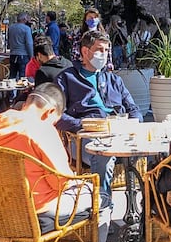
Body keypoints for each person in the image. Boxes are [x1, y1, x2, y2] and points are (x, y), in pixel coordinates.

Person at [0, 83, 109, 242]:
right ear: (49, 112)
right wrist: (79, 181)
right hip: (37, 213)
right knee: (101, 198)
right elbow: (61, 183)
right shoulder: (42, 129)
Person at [55, 30, 141, 209]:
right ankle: (102, 211)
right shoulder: (67, 78)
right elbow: (56, 115)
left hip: (119, 133)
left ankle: (152, 214)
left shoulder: (113, 79)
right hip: (86, 138)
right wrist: (84, 125)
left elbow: (134, 109)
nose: (104, 55)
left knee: (160, 150)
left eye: (106, 50)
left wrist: (134, 124)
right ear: (85, 52)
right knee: (103, 156)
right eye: (99, 50)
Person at [7, 12, 34, 79]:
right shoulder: (26, 29)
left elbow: (9, 41)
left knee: (12, 75)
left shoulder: (11, 28)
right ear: (24, 19)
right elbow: (29, 44)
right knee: (23, 77)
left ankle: (11, 89)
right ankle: (21, 89)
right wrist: (31, 56)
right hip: (23, 55)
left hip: (13, 54)